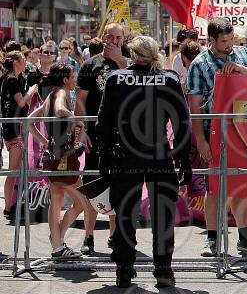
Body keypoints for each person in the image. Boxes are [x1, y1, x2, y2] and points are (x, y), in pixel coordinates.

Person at [96, 36, 191, 288]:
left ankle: (124, 270)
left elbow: (103, 122)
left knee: (125, 215)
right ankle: (163, 269)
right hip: (158, 154)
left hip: (125, 154)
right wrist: (183, 158)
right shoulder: (169, 79)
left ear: (133, 54)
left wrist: (102, 157)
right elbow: (182, 122)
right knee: (163, 216)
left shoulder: (117, 79)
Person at [187, 18, 247, 256]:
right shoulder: (199, 64)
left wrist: (242, 70)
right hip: (215, 131)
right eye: (224, 41)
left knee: (242, 184)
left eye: (231, 39)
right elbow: (195, 107)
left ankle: (245, 237)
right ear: (211, 40)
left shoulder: (242, 54)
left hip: (244, 129)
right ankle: (212, 239)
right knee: (214, 188)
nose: (229, 44)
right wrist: (201, 141)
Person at [74, 23, 128, 255]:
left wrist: (120, 62)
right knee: (93, 187)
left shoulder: (129, 63)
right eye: (111, 36)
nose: (114, 41)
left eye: (119, 37)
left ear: (123, 41)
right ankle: (88, 236)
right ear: (103, 37)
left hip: (122, 137)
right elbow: (80, 101)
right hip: (95, 136)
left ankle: (115, 236)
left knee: (119, 187)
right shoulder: (90, 65)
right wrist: (81, 130)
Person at [28, 63, 89, 260]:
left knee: (57, 201)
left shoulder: (50, 95)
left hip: (53, 156)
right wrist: (79, 122)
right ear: (65, 80)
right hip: (64, 157)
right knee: (82, 202)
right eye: (73, 76)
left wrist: (45, 142)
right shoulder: (62, 93)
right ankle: (57, 240)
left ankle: (57, 244)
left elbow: (29, 121)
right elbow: (61, 110)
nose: (75, 79)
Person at [1, 51, 38, 216]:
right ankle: (8, 207)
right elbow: (21, 101)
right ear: (15, 62)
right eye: (23, 59)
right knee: (13, 171)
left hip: (12, 128)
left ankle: (11, 205)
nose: (25, 62)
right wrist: (31, 91)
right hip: (13, 129)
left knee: (15, 171)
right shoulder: (12, 79)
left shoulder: (7, 79)